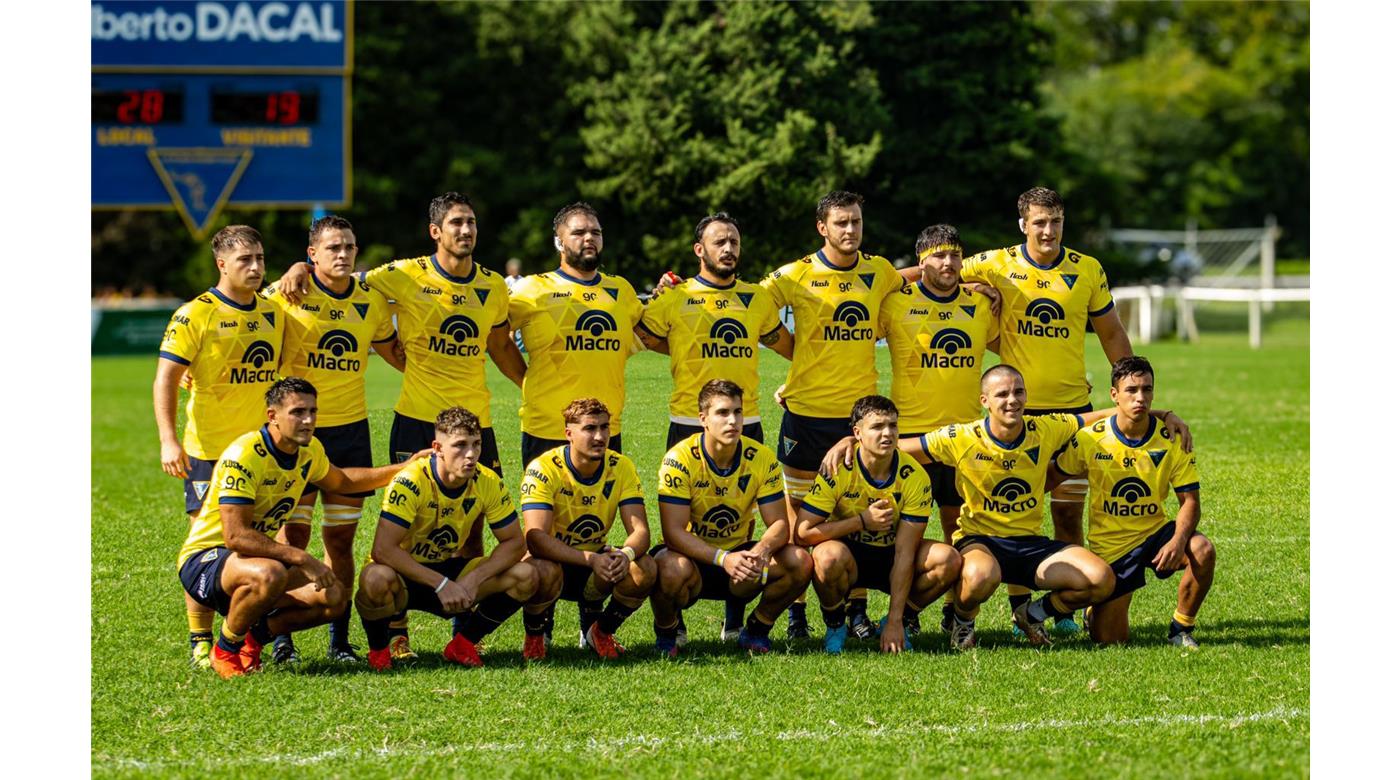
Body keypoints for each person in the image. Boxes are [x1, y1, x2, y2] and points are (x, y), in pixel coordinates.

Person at [277, 192, 525, 660]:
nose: (466, 231)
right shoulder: (402, 274)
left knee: (471, 526)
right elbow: (341, 275)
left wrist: (531, 386)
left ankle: (461, 631)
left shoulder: (493, 286)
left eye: (471, 222)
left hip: (477, 422)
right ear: (435, 231)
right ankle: (396, 633)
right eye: (456, 223)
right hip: (416, 419)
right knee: (403, 527)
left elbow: (499, 345)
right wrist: (300, 267)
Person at [893, 365, 1187, 650]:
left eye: (1018, 392)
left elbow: (1097, 416)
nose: (1012, 400)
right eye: (1002, 394)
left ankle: (1032, 614)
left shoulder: (1045, 428)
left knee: (1101, 579)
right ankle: (963, 621)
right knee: (981, 575)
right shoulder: (962, 437)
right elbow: (903, 448)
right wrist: (864, 445)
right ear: (984, 401)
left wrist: (1161, 414)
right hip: (981, 542)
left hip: (1030, 545)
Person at [958, 187, 1134, 635]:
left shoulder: (1087, 269)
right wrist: (971, 288)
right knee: (1015, 511)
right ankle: (1020, 608)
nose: (1048, 230)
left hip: (1074, 411)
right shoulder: (997, 263)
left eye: (1056, 221)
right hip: (1018, 411)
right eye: (1039, 222)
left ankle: (1063, 610)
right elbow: (938, 269)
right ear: (1023, 225)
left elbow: (1111, 333)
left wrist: (1130, 386)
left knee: (1068, 513)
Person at [176, 378, 425, 678]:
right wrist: (301, 558)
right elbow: (235, 536)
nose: (308, 420)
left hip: (250, 563)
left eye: (312, 411)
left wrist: (404, 468)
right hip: (205, 560)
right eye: (297, 412)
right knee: (271, 573)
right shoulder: (245, 454)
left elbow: (343, 482)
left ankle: (253, 641)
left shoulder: (309, 451)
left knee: (333, 596)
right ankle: (226, 650)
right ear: (273, 416)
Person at [636, 212, 795, 641]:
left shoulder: (756, 298)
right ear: (699, 250)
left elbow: (791, 347)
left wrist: (796, 384)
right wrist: (681, 347)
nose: (728, 249)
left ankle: (734, 616)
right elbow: (644, 334)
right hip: (688, 420)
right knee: (685, 519)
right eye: (719, 242)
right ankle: (675, 616)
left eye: (734, 242)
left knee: (743, 519)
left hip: (747, 419)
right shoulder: (676, 296)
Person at [758, 190, 904, 639]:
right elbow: (753, 305)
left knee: (853, 508)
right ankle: (798, 610)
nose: (850, 230)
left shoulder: (878, 271)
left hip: (857, 418)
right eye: (841, 222)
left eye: (856, 221)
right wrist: (796, 354)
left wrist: (967, 282)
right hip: (806, 415)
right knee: (799, 514)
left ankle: (854, 609)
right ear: (822, 227)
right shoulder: (796, 273)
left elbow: (909, 277)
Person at [264, 215, 404, 664]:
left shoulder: (370, 301)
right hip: (299, 434)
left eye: (349, 247)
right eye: (332, 248)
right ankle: (282, 638)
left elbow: (395, 352)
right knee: (294, 538)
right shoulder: (288, 292)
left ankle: (339, 639)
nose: (343, 254)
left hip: (350, 434)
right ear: (312, 254)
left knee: (340, 541)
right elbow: (244, 316)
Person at [155, 224, 284, 669]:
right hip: (208, 451)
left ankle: (242, 636)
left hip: (261, 452)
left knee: (257, 545)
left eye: (260, 259)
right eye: (245, 259)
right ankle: (200, 639)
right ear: (222, 264)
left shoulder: (274, 313)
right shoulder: (195, 314)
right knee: (208, 548)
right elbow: (166, 379)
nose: (255, 267)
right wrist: (169, 440)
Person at [879, 224, 999, 634]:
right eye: (938, 256)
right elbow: (849, 346)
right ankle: (882, 611)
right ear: (921, 261)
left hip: (963, 441)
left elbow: (1011, 347)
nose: (949, 263)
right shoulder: (895, 303)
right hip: (909, 440)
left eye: (955, 256)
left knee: (958, 530)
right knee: (895, 535)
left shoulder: (980, 305)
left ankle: (954, 612)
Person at [356, 407, 539, 670]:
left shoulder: (487, 480)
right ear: (438, 448)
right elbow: (383, 550)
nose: (471, 454)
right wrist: (441, 584)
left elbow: (515, 543)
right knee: (374, 578)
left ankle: (463, 644)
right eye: (460, 445)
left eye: (476, 444)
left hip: (449, 569)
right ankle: (379, 652)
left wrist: (473, 579)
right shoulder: (411, 480)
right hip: (404, 574)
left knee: (525, 574)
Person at [1051, 356, 1215, 649]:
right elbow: (1051, 477)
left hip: (1154, 534)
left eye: (1147, 389)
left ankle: (1181, 628)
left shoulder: (1172, 438)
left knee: (1202, 550)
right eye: (1131, 390)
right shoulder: (1090, 440)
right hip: (1112, 548)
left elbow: (1190, 501)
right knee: (1111, 640)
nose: (1140, 397)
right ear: (1114, 395)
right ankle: (1093, 612)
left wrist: (1178, 541)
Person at [650, 381, 812, 656]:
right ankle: (668, 632)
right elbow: (673, 532)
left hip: (741, 561)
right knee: (667, 567)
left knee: (799, 561)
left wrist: (760, 551)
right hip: (692, 560)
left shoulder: (760, 457)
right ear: (703, 418)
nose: (733, 421)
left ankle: (756, 629)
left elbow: (779, 524)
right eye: (722, 413)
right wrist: (723, 559)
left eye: (738, 412)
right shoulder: (679, 459)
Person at [795, 395, 960, 654]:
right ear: (857, 433)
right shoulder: (838, 468)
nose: (887, 433)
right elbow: (803, 533)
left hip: (892, 555)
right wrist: (861, 521)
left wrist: (895, 620)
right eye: (877, 427)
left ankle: (899, 622)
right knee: (826, 556)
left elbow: (905, 552)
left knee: (947, 559)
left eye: (893, 425)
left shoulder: (914, 475)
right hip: (849, 555)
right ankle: (836, 624)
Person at [509, 202, 645, 467]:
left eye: (596, 232)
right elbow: (496, 336)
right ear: (559, 242)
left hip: (605, 428)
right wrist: (522, 378)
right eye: (579, 232)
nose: (589, 238)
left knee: (603, 497)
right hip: (548, 428)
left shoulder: (621, 290)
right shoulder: (533, 288)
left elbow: (650, 333)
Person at [519, 398, 656, 660]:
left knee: (645, 568)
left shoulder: (621, 466)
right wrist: (590, 559)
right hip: (554, 563)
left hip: (596, 564)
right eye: (590, 428)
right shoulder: (543, 468)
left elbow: (641, 532)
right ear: (568, 433)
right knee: (541, 569)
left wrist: (625, 554)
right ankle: (536, 634)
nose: (600, 436)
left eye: (605, 427)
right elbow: (536, 539)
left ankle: (600, 632)